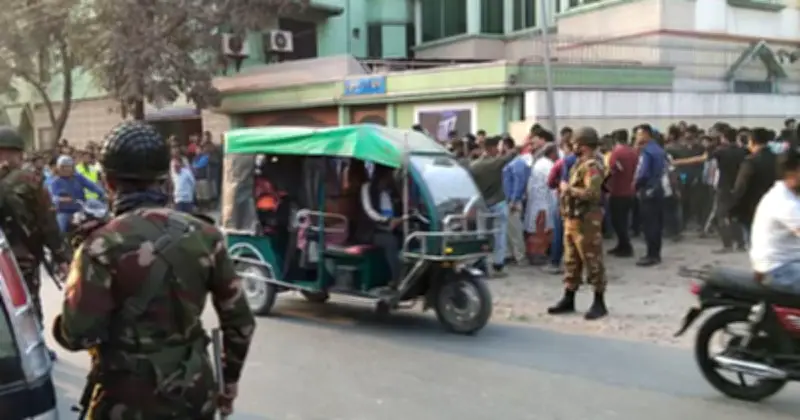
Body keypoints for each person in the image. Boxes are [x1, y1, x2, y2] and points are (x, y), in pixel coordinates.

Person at [51, 121, 256, 419]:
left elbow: (76, 335)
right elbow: (241, 323)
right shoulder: (206, 235)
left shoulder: (99, 245)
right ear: (165, 180)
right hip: (194, 393)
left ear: (109, 182)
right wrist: (229, 382)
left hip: (129, 398)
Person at [0, 127, 69, 360]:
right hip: (22, 256)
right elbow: (47, 220)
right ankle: (36, 349)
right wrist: (61, 256)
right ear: (17, 153)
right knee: (27, 301)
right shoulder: (29, 179)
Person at [548, 127, 608, 320]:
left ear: (582, 145)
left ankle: (599, 302)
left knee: (593, 262)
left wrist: (569, 190)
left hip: (586, 222)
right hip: (572, 220)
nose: (572, 146)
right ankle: (569, 297)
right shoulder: (579, 164)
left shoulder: (592, 166)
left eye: (575, 143)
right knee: (571, 262)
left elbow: (593, 193)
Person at [750, 146, 800, 294]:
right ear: (791, 173)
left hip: (787, 262)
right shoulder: (784, 201)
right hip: (780, 268)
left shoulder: (790, 195)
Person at [470, 136, 519, 276]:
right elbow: (512, 154)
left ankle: (481, 262)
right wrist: (506, 149)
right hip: (498, 202)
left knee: (481, 234)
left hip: (482, 203)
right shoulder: (496, 163)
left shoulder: (474, 166)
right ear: (492, 148)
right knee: (500, 234)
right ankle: (498, 263)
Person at [360, 164, 403, 293]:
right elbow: (369, 211)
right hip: (371, 230)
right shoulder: (367, 188)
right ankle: (396, 279)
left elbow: (400, 208)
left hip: (391, 227)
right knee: (391, 242)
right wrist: (387, 220)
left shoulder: (393, 190)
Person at [731, 127, 777, 245]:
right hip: (776, 208)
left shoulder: (751, 161)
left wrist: (734, 208)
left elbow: (741, 187)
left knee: (755, 244)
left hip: (753, 208)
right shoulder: (779, 159)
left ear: (751, 141)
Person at [633, 124, 667, 267]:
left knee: (649, 224)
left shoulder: (647, 152)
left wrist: (636, 184)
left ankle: (651, 255)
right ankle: (656, 253)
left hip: (648, 190)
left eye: (639, 134)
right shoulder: (659, 150)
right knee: (657, 224)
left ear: (647, 134)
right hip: (658, 189)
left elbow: (643, 173)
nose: (637, 137)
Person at [48, 155, 106, 232]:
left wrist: (102, 193)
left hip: (82, 208)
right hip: (65, 211)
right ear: (59, 168)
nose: (67, 169)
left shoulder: (78, 177)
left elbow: (91, 185)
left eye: (69, 166)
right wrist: (61, 199)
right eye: (64, 167)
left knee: (100, 219)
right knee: (62, 228)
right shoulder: (55, 182)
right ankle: (64, 241)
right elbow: (53, 197)